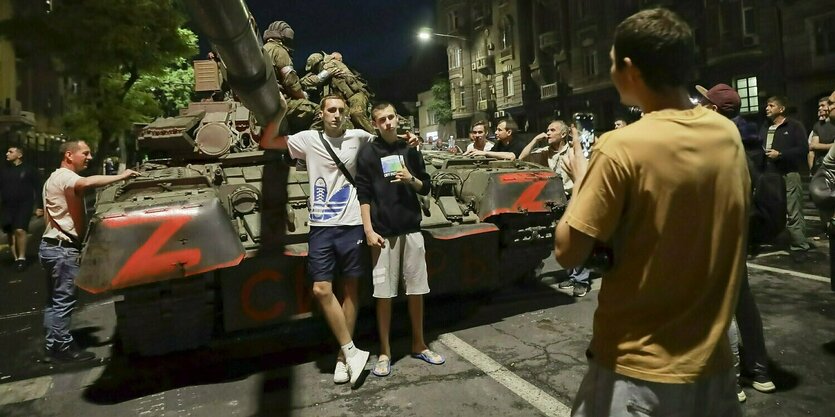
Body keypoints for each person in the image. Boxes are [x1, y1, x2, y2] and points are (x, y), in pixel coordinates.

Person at [555, 8, 746, 416]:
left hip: (638, 373)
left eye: (610, 62)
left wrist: (581, 176)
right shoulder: (725, 134)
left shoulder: (621, 145)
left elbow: (568, 251)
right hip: (713, 366)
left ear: (629, 68)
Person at [284, 95, 417, 386]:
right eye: (331, 110)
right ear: (321, 113)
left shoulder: (359, 136)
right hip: (320, 225)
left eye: (341, 111)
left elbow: (385, 139)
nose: (336, 115)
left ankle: (344, 359)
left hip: (353, 223)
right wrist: (276, 110)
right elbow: (270, 140)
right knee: (321, 289)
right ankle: (351, 349)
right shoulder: (307, 139)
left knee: (351, 290)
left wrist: (408, 142)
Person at [697, 83, 777, 402]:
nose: (698, 105)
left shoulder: (715, 141)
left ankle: (731, 380)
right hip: (739, 230)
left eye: (703, 102)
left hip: (717, 232)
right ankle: (760, 372)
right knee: (743, 300)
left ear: (715, 110)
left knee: (720, 307)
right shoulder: (747, 137)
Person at [355, 102, 444, 378]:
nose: (388, 123)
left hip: (411, 231)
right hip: (383, 234)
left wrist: (410, 179)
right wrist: (369, 230)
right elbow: (364, 194)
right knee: (384, 296)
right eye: (381, 119)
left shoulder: (411, 149)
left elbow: (426, 185)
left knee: (417, 291)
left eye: (391, 117)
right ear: (375, 123)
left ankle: (419, 343)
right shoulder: (369, 153)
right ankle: (385, 352)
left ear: (397, 119)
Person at [41, 140, 139, 362]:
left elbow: (48, 216)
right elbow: (86, 183)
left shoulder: (51, 179)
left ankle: (51, 347)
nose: (90, 157)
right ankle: (63, 348)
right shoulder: (65, 177)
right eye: (85, 153)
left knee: (53, 302)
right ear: (69, 155)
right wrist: (121, 176)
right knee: (64, 301)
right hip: (62, 250)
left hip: (50, 246)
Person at [758, 95, 812, 261]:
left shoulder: (794, 126)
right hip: (770, 175)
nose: (767, 108)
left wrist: (780, 154)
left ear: (781, 109)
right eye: (767, 106)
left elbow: (803, 149)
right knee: (774, 209)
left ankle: (799, 245)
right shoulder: (765, 127)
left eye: (771, 106)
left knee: (793, 209)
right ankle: (778, 238)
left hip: (789, 173)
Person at [262, 20, 317, 134]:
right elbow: (291, 83)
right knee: (320, 112)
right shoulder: (280, 51)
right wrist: (303, 95)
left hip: (263, 102)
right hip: (281, 102)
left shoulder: (262, 50)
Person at [302, 52, 375, 133]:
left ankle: (374, 138)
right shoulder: (324, 74)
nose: (314, 71)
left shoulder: (331, 64)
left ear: (318, 63)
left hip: (355, 94)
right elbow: (304, 81)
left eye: (314, 68)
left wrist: (325, 75)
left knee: (356, 113)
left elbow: (317, 79)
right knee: (343, 120)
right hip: (342, 101)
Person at [1, 147, 43, 271]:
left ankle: (22, 258)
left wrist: (39, 206)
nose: (7, 154)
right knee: (10, 231)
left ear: (19, 155)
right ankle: (16, 258)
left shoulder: (29, 170)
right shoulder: (3, 170)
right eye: (7, 151)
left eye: (10, 152)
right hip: (7, 205)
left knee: (20, 229)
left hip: (24, 204)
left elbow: (38, 188)